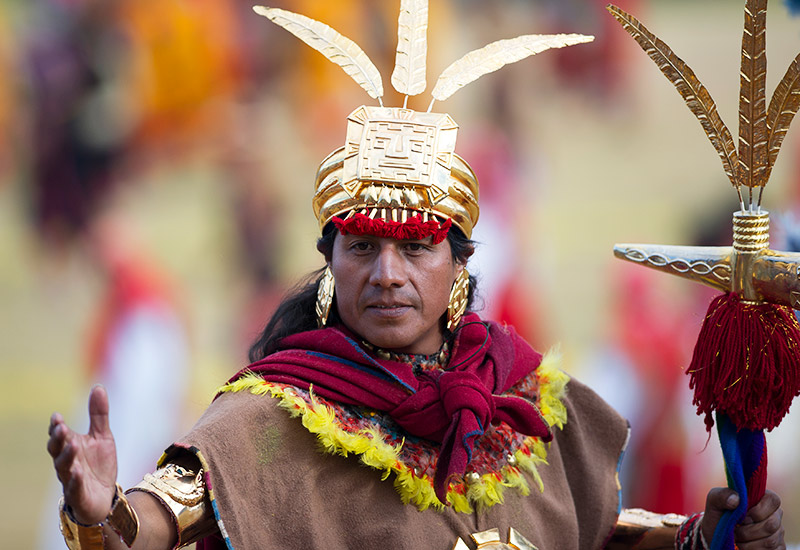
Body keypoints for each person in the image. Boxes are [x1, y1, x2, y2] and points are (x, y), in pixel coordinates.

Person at [47, 4, 787, 549]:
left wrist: (702, 539)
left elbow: (584, 531)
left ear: (460, 266)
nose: (388, 275)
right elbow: (150, 524)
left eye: (417, 250)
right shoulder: (266, 422)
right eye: (362, 249)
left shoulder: (526, 402)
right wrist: (99, 509)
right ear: (330, 265)